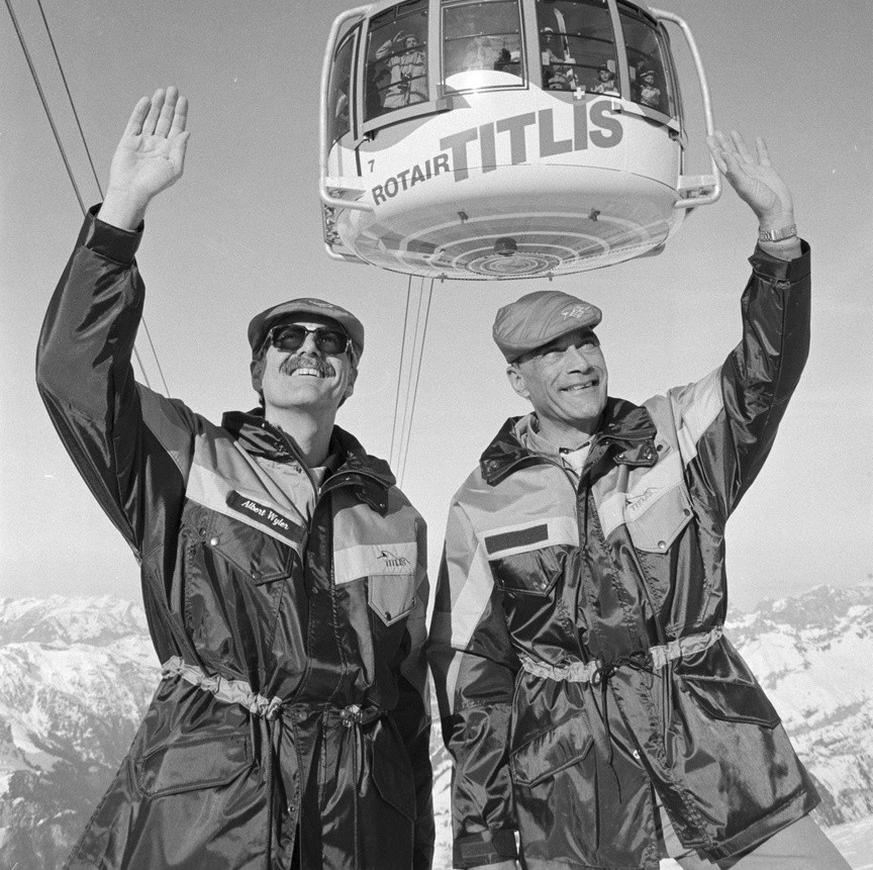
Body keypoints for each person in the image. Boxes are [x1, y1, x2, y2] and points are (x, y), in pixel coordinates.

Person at [36, 88, 434, 870]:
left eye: (332, 344)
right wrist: (121, 213)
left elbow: (407, 697)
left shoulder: (394, 514)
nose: (309, 350)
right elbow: (72, 373)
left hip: (354, 815)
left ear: (349, 378)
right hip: (214, 809)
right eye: (287, 337)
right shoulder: (190, 458)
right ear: (257, 368)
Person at [429, 132, 849, 870]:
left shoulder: (674, 433)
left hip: (720, 758)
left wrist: (776, 234)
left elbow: (763, 374)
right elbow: (472, 683)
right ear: (516, 379)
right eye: (553, 352)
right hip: (579, 796)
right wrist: (483, 840)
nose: (580, 360)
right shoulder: (482, 504)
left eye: (586, 340)